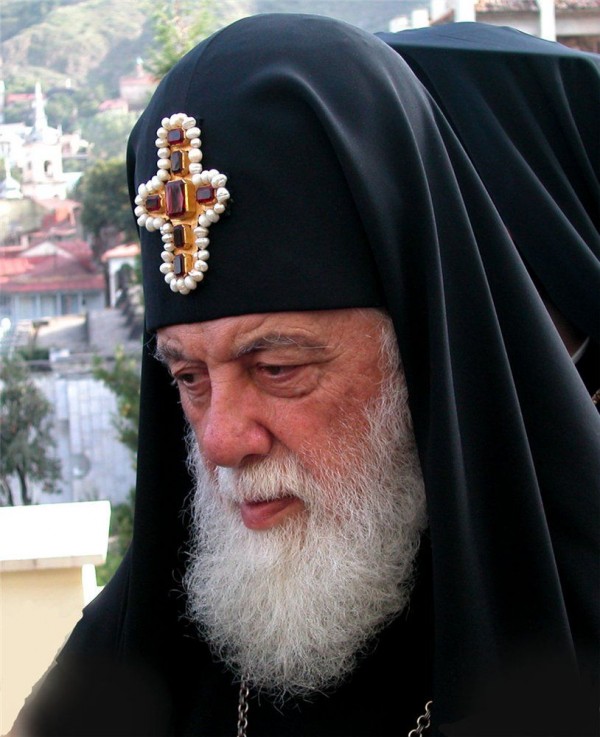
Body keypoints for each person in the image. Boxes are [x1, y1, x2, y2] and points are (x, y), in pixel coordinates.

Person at [8, 14, 599, 737]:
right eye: (189, 378)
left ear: (418, 349)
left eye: (278, 367)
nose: (222, 441)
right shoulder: (134, 652)